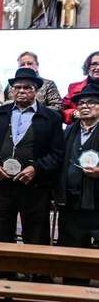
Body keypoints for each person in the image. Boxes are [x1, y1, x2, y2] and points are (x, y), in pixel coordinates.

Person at [0, 68, 65, 246]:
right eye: (17, 87)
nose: (22, 91)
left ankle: (34, 274)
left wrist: (36, 168)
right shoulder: (0, 114)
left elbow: (57, 154)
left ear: (36, 90)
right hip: (2, 185)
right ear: (12, 90)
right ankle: (2, 273)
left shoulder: (51, 118)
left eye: (28, 87)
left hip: (35, 187)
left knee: (36, 235)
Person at [56, 83, 99, 285]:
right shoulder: (69, 131)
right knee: (71, 256)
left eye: (91, 102)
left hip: (97, 204)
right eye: (81, 103)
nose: (85, 106)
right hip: (71, 203)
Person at [62, 51, 99, 124]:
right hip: (79, 130)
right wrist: (73, 114)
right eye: (94, 64)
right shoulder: (74, 88)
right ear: (87, 67)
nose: (98, 67)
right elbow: (61, 110)